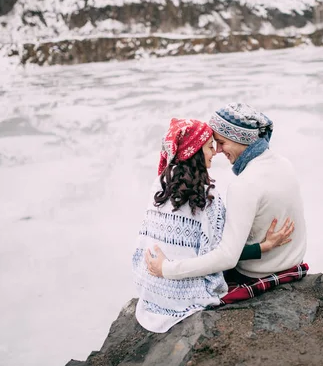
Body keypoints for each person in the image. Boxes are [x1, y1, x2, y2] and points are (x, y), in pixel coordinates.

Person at [132, 118, 293, 333]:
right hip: (184, 295)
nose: (215, 152)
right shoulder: (207, 199)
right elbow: (223, 255)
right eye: (209, 147)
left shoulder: (160, 184)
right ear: (195, 153)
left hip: (151, 290)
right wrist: (263, 247)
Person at [146, 103, 308, 305]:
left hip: (260, 271)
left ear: (241, 139)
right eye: (214, 145)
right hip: (292, 261)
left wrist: (166, 269)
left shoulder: (245, 184)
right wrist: (264, 246)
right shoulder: (284, 163)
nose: (219, 151)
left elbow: (227, 258)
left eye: (221, 143)